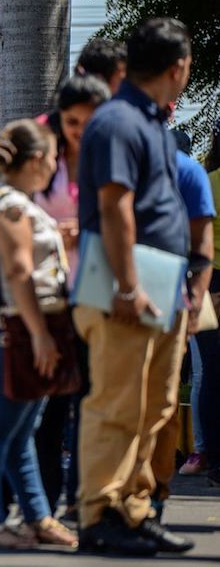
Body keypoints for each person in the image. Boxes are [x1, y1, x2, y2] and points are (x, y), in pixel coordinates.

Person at [75, 18, 195, 556]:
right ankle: (100, 512)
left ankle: (134, 508)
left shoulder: (148, 121)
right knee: (118, 403)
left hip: (163, 285)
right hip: (129, 285)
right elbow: (115, 205)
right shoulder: (118, 120)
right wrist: (126, 286)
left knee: (157, 408)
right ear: (178, 67)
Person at [0, 118, 77, 550]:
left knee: (17, 433)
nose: (56, 166)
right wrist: (41, 335)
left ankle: (37, 517)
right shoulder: (12, 203)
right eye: (53, 158)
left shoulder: (13, 201)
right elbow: (16, 270)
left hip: (9, 325)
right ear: (36, 160)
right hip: (9, 327)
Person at [34, 75, 111, 515]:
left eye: (91, 120)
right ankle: (44, 501)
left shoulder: (111, 161)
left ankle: (83, 499)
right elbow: (17, 221)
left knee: (90, 403)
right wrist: (54, 233)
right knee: (52, 405)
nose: (82, 129)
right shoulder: (46, 164)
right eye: (73, 120)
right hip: (50, 299)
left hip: (97, 295)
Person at [150, 130, 215, 506]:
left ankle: (152, 501)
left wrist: (195, 299)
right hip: (150, 297)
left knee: (163, 399)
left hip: (175, 296)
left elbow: (203, 248)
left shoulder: (191, 176)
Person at [199, 120, 220, 488]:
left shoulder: (206, 181)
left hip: (206, 284)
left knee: (212, 375)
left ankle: (213, 458)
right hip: (212, 281)